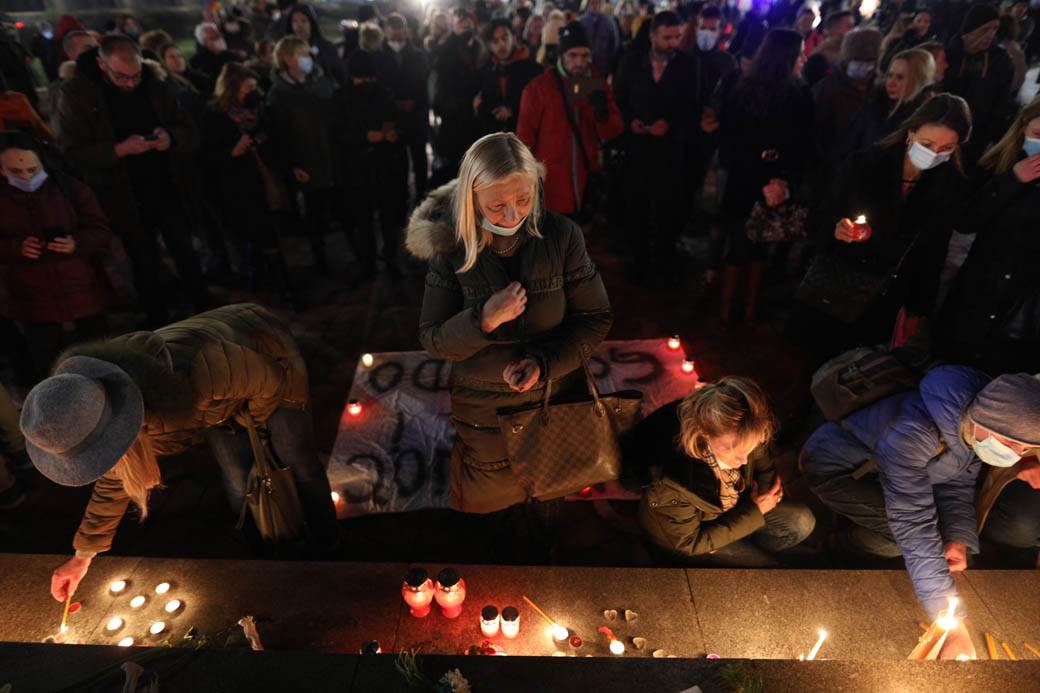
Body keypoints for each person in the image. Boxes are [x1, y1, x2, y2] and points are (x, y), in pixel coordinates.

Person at [23, 303, 341, 604]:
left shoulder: (198, 374)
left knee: (296, 459)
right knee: (237, 479)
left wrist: (251, 423)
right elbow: (116, 479)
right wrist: (83, 557)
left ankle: (329, 546)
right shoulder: (93, 410)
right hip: (217, 402)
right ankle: (266, 557)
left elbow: (268, 379)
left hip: (265, 355)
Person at [406, 132, 612, 515]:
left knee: (551, 499)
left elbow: (594, 317)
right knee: (494, 516)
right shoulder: (451, 249)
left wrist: (544, 364)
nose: (514, 216)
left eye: (523, 199)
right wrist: (482, 320)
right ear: (471, 199)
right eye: (497, 205)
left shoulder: (562, 236)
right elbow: (433, 339)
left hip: (555, 403)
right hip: (487, 420)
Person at [802, 367, 1040, 656]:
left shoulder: (971, 427)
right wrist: (949, 622)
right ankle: (831, 552)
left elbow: (957, 483)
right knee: (906, 539)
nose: (1015, 455)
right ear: (987, 420)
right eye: (1011, 443)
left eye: (1025, 449)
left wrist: (957, 536)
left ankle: (861, 537)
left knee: (932, 540)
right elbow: (913, 524)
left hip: (883, 474)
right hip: (835, 471)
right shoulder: (913, 431)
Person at [56, 35, 210, 327]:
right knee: (143, 260)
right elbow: (71, 152)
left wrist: (171, 137)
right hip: (122, 194)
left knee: (186, 251)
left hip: (166, 186)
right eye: (121, 76)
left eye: (135, 75)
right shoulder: (77, 94)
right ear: (102, 65)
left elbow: (188, 128)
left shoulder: (156, 84)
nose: (130, 83)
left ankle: (204, 309)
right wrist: (118, 150)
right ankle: (159, 322)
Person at [805, 94, 971, 359]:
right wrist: (835, 229)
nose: (934, 154)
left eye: (946, 149)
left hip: (887, 294)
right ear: (911, 132)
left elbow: (933, 252)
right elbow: (818, 215)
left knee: (860, 369)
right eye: (927, 144)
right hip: (839, 282)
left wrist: (918, 309)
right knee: (817, 360)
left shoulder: (948, 185)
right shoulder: (865, 164)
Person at [639, 377, 815, 565]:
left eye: (749, 449)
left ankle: (743, 545)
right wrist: (754, 512)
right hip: (692, 537)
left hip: (736, 510)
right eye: (729, 451)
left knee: (802, 521)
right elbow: (689, 542)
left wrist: (764, 498)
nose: (743, 460)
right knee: (767, 568)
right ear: (703, 434)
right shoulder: (672, 482)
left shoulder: (743, 428)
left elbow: (764, 469)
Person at [937, 97, 1040, 375]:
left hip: (1021, 314)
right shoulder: (998, 164)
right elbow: (966, 219)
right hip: (977, 294)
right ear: (1023, 127)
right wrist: (1012, 181)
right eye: (1038, 134)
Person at [717, 29, 813, 325]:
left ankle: (747, 309)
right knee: (740, 243)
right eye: (799, 54)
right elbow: (731, 142)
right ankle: (729, 309)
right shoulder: (743, 89)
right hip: (746, 179)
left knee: (760, 244)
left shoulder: (799, 93)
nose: (803, 59)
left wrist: (782, 180)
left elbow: (803, 143)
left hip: (774, 182)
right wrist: (767, 179)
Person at [0, 133, 114, 378]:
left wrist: (77, 243)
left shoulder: (69, 188)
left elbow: (101, 230)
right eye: (15, 172)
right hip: (31, 300)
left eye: (32, 169)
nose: (26, 177)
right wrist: (14, 248)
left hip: (83, 290)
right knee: (51, 371)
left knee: (103, 360)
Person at [614, 11, 700, 284]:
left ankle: (664, 260)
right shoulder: (631, 61)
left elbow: (692, 105)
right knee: (636, 207)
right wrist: (631, 122)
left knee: (667, 208)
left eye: (676, 37)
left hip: (671, 151)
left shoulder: (688, 65)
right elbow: (619, 98)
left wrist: (670, 123)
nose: (673, 43)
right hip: (638, 150)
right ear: (652, 36)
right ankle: (638, 261)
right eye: (667, 38)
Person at [517, 21, 623, 219]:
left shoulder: (595, 84)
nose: (580, 62)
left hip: (585, 183)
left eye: (584, 55)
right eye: (572, 55)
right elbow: (524, 140)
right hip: (551, 187)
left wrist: (603, 113)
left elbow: (613, 131)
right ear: (561, 56)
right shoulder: (539, 88)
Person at [201, 63, 291, 294]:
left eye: (254, 86)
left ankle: (261, 281)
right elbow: (207, 155)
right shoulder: (215, 116)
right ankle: (280, 286)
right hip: (239, 185)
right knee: (260, 234)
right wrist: (233, 152)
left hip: (266, 178)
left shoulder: (260, 109)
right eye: (248, 87)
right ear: (233, 88)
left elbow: (276, 136)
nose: (253, 91)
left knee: (266, 232)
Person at [268, 35, 346, 276]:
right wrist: (292, 164)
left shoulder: (321, 82)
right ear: (286, 59)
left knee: (339, 210)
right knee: (313, 215)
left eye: (306, 54)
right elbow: (279, 135)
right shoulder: (278, 94)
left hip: (330, 157)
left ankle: (348, 257)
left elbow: (336, 116)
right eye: (301, 55)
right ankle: (321, 261)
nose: (307, 59)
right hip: (305, 163)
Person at [342, 49, 408, 278]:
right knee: (363, 217)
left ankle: (390, 256)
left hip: (384, 165)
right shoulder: (343, 97)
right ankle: (368, 260)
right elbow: (339, 132)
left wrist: (393, 134)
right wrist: (364, 136)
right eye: (360, 78)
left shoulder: (383, 93)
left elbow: (396, 121)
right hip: (358, 167)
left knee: (388, 215)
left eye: (369, 78)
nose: (365, 83)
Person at [942, 3, 1014, 162]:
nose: (990, 35)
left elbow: (1001, 103)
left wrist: (992, 139)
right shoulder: (948, 53)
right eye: (985, 29)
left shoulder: (1001, 61)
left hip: (976, 137)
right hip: (942, 128)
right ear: (970, 29)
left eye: (994, 29)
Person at [376, 13, 431, 198]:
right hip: (391, 117)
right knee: (395, 160)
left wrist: (415, 102)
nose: (398, 32)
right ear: (386, 31)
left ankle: (422, 195)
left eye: (401, 28)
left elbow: (424, 83)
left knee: (419, 158)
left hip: (416, 115)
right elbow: (378, 86)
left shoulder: (418, 55)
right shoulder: (378, 56)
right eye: (394, 28)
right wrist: (393, 103)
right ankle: (399, 197)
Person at [843, 47, 935, 156]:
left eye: (900, 77)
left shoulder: (924, 122)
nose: (891, 83)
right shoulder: (873, 106)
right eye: (890, 75)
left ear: (918, 80)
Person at [430, 7, 485, 185]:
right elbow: (442, 74)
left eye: (469, 24)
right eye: (462, 24)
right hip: (453, 118)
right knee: (454, 169)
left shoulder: (479, 48)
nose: (466, 27)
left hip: (475, 120)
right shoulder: (447, 48)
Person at [812, 29, 883, 168]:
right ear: (847, 60)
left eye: (869, 60)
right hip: (830, 168)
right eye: (858, 59)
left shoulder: (879, 91)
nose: (865, 66)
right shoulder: (827, 89)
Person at [475, 19, 542, 136]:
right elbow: (482, 101)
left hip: (524, 136)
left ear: (513, 38)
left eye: (505, 38)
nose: (501, 44)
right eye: (495, 41)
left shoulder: (532, 68)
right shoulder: (486, 69)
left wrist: (512, 110)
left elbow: (538, 104)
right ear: (489, 46)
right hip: (495, 138)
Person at [279, 3, 348, 87]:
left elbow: (340, 77)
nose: (299, 25)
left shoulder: (327, 48)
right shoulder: (285, 49)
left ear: (311, 23)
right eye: (295, 21)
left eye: (303, 20)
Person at [802, 10, 855, 86]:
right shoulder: (820, 56)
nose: (853, 30)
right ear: (834, 29)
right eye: (849, 27)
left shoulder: (849, 51)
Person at [189, 22, 237, 96]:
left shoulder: (232, 56)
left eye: (218, 36)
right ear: (204, 42)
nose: (218, 39)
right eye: (213, 38)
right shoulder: (196, 62)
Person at [580, 0, 620, 77]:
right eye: (592, 3)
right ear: (588, 4)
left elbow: (614, 44)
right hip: (585, 64)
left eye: (597, 3)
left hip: (602, 65)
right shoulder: (582, 22)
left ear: (600, 4)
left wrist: (610, 63)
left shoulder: (609, 22)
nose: (594, 5)